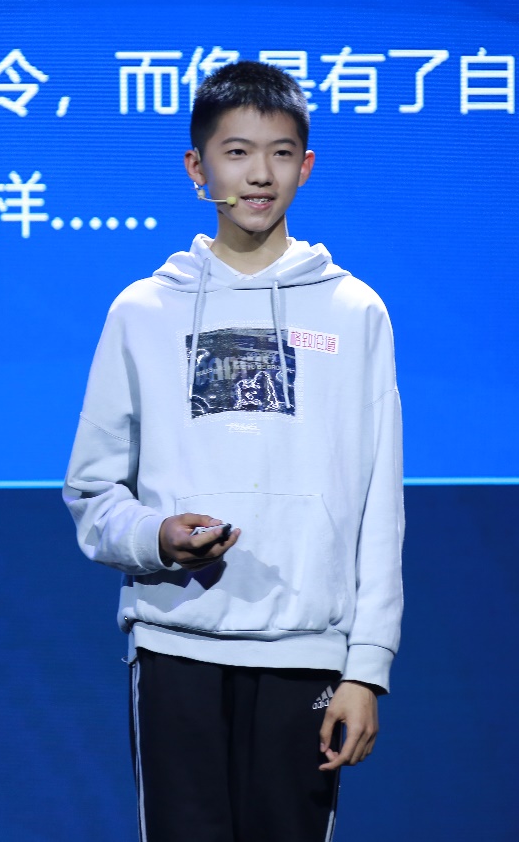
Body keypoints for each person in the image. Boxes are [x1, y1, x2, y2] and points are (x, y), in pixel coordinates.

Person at [62, 60, 403, 842]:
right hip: (175, 644)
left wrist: (366, 668)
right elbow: (92, 492)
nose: (259, 175)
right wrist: (157, 536)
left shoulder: (355, 312)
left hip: (306, 655)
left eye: (280, 154)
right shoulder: (144, 310)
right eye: (237, 152)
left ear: (306, 166)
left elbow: (379, 505)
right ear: (197, 166)